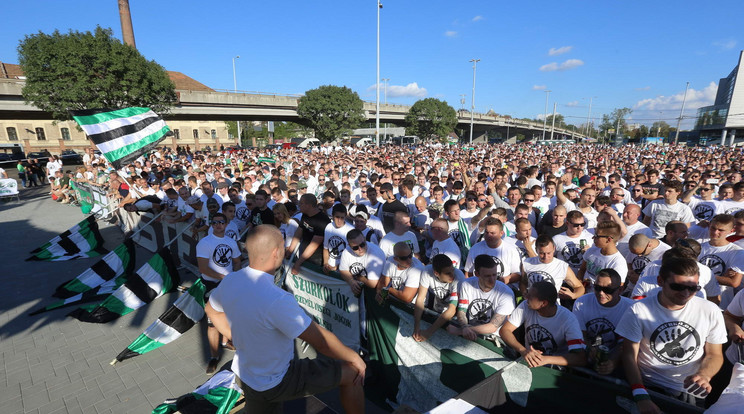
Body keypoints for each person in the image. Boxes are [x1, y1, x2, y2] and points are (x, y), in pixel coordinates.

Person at [205, 225, 365, 414]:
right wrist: (355, 357)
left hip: (246, 376)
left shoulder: (230, 280)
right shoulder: (277, 299)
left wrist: (237, 336)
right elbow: (321, 342)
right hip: (278, 380)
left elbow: (211, 311)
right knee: (351, 372)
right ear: (276, 252)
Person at [615, 258, 727, 412]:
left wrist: (704, 375)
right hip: (647, 384)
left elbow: (714, 354)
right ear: (660, 281)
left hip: (689, 390)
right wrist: (640, 393)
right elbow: (629, 355)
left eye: (693, 288)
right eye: (677, 287)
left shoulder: (710, 310)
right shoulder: (638, 310)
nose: (686, 293)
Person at [500, 281, 586, 368]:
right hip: (528, 363)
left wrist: (545, 359)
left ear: (543, 303)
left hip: (555, 369)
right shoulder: (526, 306)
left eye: (530, 296)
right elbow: (505, 330)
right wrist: (523, 350)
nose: (526, 298)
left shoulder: (568, 319)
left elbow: (580, 358)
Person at [196, 212, 242, 374]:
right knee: (212, 323)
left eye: (221, 222)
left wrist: (234, 275)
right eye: (214, 222)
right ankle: (214, 357)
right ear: (211, 224)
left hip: (227, 284)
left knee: (230, 316)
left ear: (226, 224)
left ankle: (226, 341)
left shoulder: (231, 242)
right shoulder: (205, 242)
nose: (218, 225)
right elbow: (203, 268)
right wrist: (225, 277)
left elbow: (237, 261)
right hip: (211, 286)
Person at [572, 269, 633, 375]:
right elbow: (579, 335)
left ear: (620, 289)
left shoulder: (631, 308)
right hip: (586, 356)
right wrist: (589, 349)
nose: (601, 293)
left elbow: (626, 344)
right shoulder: (581, 302)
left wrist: (613, 362)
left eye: (608, 290)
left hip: (617, 362)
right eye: (597, 288)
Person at [448, 255, 515, 340]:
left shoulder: (506, 293)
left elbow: (493, 326)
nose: (492, 280)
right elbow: (462, 311)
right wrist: (465, 327)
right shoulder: (466, 284)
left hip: (494, 337)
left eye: (494, 275)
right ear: (477, 274)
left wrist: (460, 330)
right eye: (487, 276)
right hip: (470, 331)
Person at [413, 254, 465, 342]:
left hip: (452, 316)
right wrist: (417, 326)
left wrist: (429, 332)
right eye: (448, 273)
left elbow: (452, 310)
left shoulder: (458, 277)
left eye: (452, 270)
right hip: (436, 309)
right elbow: (420, 299)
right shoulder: (427, 271)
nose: (452, 275)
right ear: (436, 273)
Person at [521, 235, 585, 302]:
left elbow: (579, 287)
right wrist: (524, 292)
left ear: (554, 249)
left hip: (552, 307)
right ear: (536, 249)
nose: (546, 257)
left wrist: (573, 295)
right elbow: (523, 282)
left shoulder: (562, 266)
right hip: (531, 304)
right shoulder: (527, 263)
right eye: (542, 253)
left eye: (549, 253)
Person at [463, 217, 521, 284]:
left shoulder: (510, 250)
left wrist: (504, 280)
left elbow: (517, 274)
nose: (489, 236)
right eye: (486, 232)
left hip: (502, 289)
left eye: (492, 233)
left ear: (501, 233)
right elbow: (468, 273)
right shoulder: (475, 248)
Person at [579, 221, 628, 292]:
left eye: (597, 236)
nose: (593, 238)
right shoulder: (591, 251)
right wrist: (580, 286)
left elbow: (617, 289)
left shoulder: (618, 263)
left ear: (609, 239)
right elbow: (582, 270)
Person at [288, 194, 331, 273]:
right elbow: (298, 233)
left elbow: (314, 245)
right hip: (303, 254)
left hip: (316, 259)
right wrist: (290, 250)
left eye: (301, 203)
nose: (298, 205)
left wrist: (298, 263)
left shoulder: (322, 220)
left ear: (309, 205)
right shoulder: (305, 214)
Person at [338, 229, 386, 295]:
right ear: (349, 245)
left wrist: (360, 278)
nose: (360, 249)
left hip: (374, 293)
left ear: (365, 239)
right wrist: (351, 281)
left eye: (362, 244)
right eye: (355, 248)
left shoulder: (375, 254)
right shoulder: (347, 251)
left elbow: (372, 284)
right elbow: (343, 270)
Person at [323, 204, 354, 274]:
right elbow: (325, 248)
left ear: (345, 217)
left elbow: (351, 255)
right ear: (333, 216)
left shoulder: (350, 230)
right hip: (329, 266)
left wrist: (336, 267)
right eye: (337, 217)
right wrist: (325, 264)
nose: (339, 220)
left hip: (344, 270)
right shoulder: (328, 227)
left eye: (342, 217)